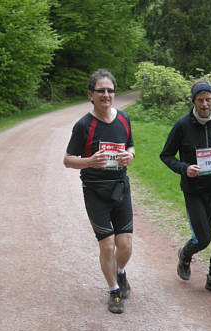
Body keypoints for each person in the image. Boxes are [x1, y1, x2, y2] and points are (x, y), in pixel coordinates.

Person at [63, 69, 135, 313]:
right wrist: (89, 161)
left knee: (125, 245)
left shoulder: (124, 119)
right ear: (90, 95)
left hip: (120, 188)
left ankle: (120, 271)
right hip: (95, 192)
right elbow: (68, 160)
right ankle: (114, 290)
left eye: (110, 90)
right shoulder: (84, 125)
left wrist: (129, 155)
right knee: (107, 245)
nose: (106, 95)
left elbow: (131, 146)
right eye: (100, 91)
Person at [160, 80, 211, 297]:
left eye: (208, 99)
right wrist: (185, 168)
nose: (205, 104)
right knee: (203, 239)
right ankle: (185, 254)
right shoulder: (182, 125)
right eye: (200, 100)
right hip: (194, 190)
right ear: (194, 101)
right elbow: (166, 155)